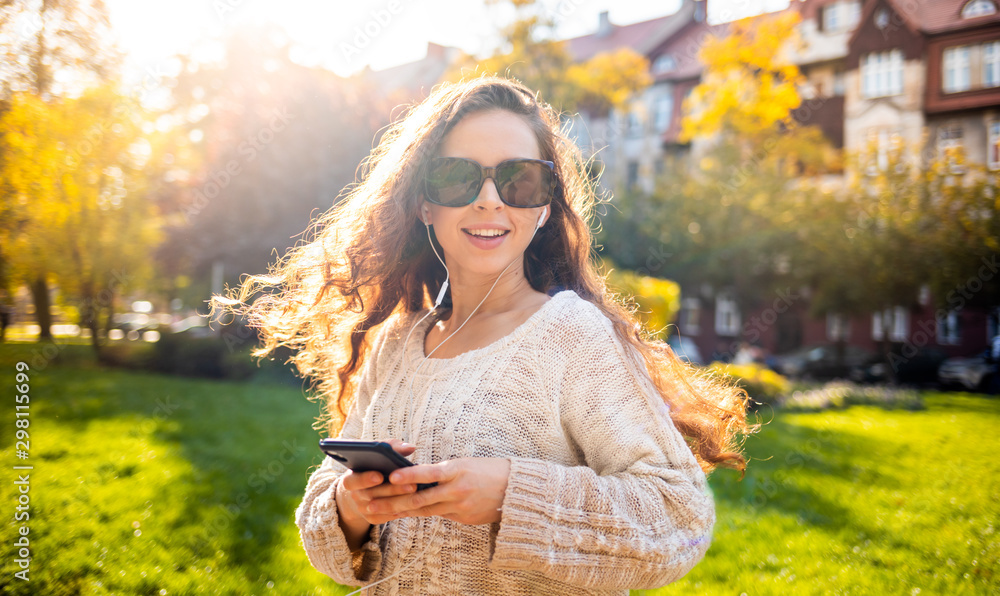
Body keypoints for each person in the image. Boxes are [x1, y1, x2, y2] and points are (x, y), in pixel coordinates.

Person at [213, 76, 753, 595]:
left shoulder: (570, 335)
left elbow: (679, 517)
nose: (491, 200)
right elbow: (323, 532)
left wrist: (511, 495)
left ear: (543, 207)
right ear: (424, 201)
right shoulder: (396, 343)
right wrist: (353, 508)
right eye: (458, 177)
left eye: (519, 179)